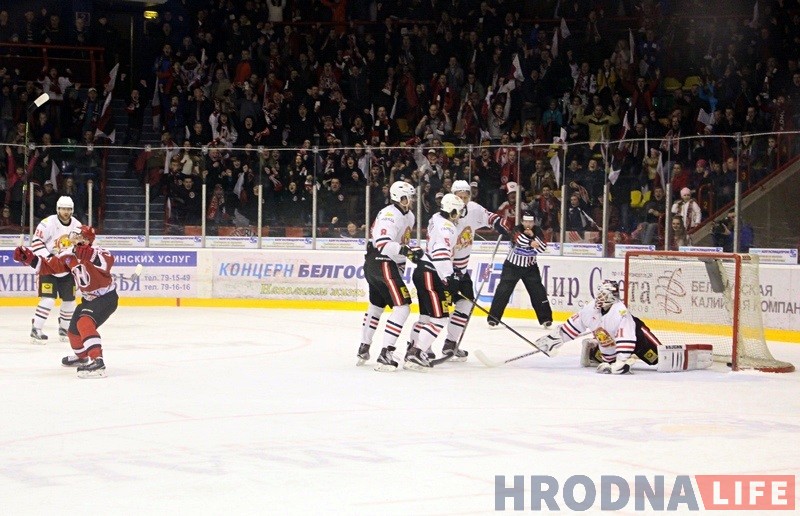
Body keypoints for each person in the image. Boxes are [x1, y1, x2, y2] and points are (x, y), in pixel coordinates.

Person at [534, 281, 712, 374]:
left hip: (637, 337)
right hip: (610, 340)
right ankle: (594, 351)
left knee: (658, 358)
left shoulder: (621, 312)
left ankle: (692, 354)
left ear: (612, 296)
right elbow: (573, 326)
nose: (600, 297)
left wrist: (622, 361)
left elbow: (626, 337)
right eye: (599, 293)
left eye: (604, 294)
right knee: (607, 359)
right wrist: (553, 340)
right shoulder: (590, 309)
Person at [14, 225, 117, 378]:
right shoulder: (68, 254)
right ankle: (82, 357)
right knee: (73, 332)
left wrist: (89, 254)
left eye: (78, 236)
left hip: (106, 297)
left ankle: (98, 362)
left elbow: (108, 262)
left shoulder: (99, 251)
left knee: (84, 323)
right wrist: (29, 259)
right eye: (73, 235)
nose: (73, 237)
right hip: (88, 299)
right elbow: (49, 267)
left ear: (87, 240)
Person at [432, 179, 511, 361]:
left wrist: (501, 225)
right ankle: (421, 347)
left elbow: (491, 218)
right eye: (459, 196)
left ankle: (451, 343)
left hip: (460, 270)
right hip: (441, 269)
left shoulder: (474, 209)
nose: (462, 200)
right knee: (435, 310)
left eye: (465, 197)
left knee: (466, 303)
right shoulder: (442, 217)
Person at [356, 181, 423, 372]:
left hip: (377, 263)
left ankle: (364, 347)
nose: (410, 200)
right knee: (402, 307)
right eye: (406, 197)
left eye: (411, 197)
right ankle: (386, 353)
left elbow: (399, 242)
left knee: (376, 305)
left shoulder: (409, 216)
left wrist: (408, 252)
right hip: (382, 262)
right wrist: (407, 252)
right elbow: (383, 243)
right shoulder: (389, 214)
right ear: (397, 197)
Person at [405, 193, 465, 370]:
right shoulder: (448, 228)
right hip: (431, 274)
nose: (460, 215)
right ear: (452, 211)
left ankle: (413, 348)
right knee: (440, 319)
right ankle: (416, 352)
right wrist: (449, 277)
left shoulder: (436, 218)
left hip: (422, 271)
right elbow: (440, 253)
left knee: (425, 318)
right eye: (458, 211)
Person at [28, 196, 82, 344]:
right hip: (48, 268)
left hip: (66, 268)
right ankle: (36, 329)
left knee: (70, 301)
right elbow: (36, 242)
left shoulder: (77, 225)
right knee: (48, 300)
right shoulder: (47, 223)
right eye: (63, 209)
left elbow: (80, 245)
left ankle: (64, 329)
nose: (66, 212)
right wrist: (50, 258)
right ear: (58, 209)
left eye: (69, 209)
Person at [487, 211, 553, 329]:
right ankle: (493, 318)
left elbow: (542, 247)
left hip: (530, 267)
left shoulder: (538, 231)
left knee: (538, 292)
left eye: (530, 222)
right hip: (512, 266)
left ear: (534, 222)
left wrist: (533, 237)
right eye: (526, 221)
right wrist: (532, 242)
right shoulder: (516, 229)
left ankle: (546, 319)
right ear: (522, 221)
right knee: (503, 291)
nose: (528, 224)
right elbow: (520, 240)